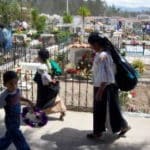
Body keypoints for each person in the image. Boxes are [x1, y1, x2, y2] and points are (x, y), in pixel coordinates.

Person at [87, 32, 130, 139]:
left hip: (104, 87)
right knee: (112, 109)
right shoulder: (107, 53)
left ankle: (97, 132)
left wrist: (100, 91)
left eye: (91, 45)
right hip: (110, 86)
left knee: (100, 111)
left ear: (96, 44)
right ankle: (123, 126)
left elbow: (105, 75)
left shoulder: (103, 55)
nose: (91, 47)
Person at [0, 71, 33, 150]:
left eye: (16, 83)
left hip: (17, 118)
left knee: (9, 137)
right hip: (10, 121)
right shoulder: (4, 96)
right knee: (18, 137)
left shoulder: (17, 90)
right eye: (11, 84)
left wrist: (28, 100)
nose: (14, 86)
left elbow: (19, 97)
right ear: (5, 84)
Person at [34, 49, 66, 120]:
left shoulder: (41, 67)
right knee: (55, 99)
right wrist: (53, 77)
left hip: (43, 88)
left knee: (42, 101)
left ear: (41, 57)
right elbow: (59, 71)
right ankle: (62, 111)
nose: (38, 57)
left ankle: (39, 114)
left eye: (38, 56)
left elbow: (36, 78)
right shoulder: (51, 63)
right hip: (51, 85)